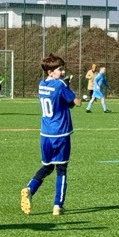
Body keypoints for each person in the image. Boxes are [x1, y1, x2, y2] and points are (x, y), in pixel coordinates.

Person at [21, 55, 80, 216]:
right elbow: (76, 102)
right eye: (60, 69)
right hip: (60, 133)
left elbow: (60, 102)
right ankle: (57, 205)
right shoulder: (60, 85)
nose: (63, 72)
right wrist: (67, 86)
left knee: (47, 166)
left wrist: (64, 87)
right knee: (61, 169)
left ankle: (29, 189)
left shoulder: (42, 84)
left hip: (45, 134)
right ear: (50, 71)